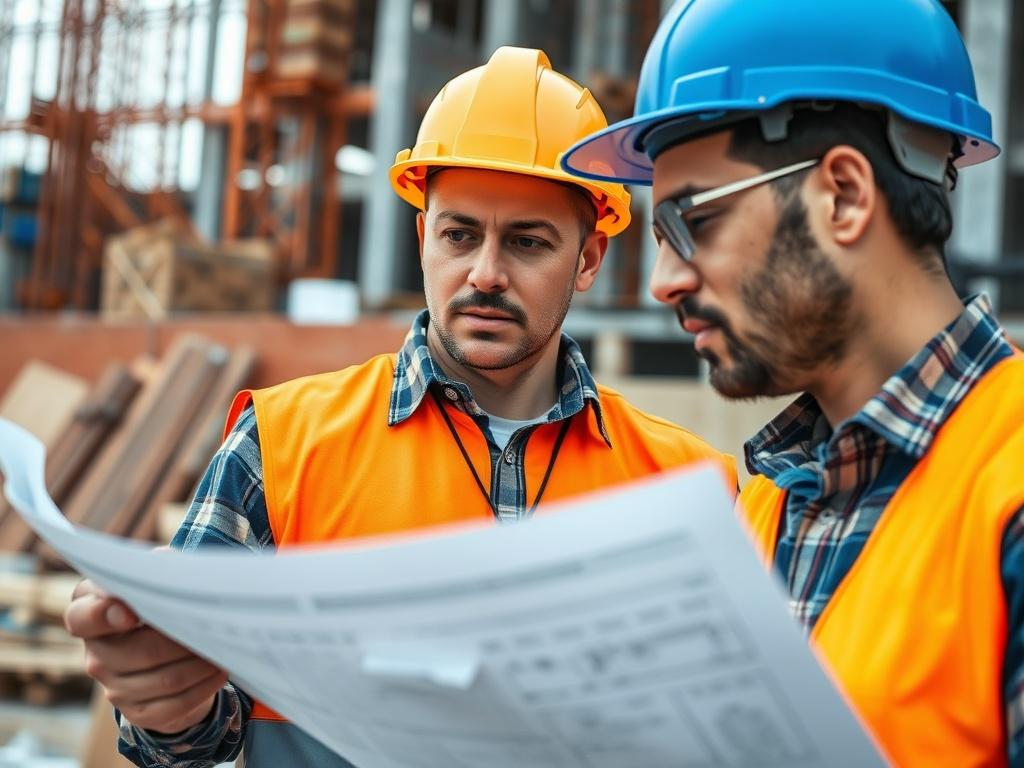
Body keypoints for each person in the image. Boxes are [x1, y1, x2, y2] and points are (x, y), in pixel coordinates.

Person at [64, 46, 736, 767]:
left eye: (528, 242)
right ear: (423, 237)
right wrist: (167, 703)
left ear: (588, 259)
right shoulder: (282, 446)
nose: (485, 273)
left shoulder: (691, 488)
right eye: (459, 235)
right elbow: (183, 741)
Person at [562, 1, 1023, 765]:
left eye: (694, 224)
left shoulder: (1006, 483)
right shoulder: (770, 501)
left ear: (843, 195)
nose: (663, 282)